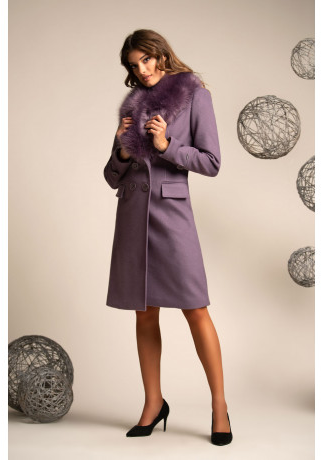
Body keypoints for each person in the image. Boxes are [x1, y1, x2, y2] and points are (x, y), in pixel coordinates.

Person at [103, 29, 232, 446]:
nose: (141, 70)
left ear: (161, 54)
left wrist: (165, 144)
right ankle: (153, 403)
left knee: (195, 308)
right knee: (144, 313)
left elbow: (211, 162)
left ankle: (219, 406)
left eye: (146, 60)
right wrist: (123, 151)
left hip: (172, 215)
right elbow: (111, 176)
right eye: (134, 65)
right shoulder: (134, 106)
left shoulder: (195, 95)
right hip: (132, 215)